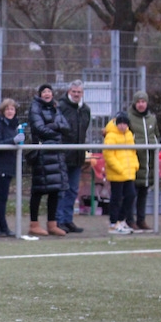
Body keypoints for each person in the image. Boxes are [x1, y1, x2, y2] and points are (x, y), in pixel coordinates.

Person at [27, 83, 71, 237]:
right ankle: (34, 224)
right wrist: (56, 132)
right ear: (40, 95)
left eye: (49, 91)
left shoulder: (56, 108)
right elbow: (39, 129)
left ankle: (52, 224)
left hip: (56, 153)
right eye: (44, 91)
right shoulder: (35, 108)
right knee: (38, 190)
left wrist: (53, 126)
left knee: (55, 189)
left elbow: (66, 127)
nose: (47, 94)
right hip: (42, 153)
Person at [0, 97, 26, 237]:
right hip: (0, 166)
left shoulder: (15, 125)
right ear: (3, 111)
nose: (10, 111)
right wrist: (13, 141)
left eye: (12, 109)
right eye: (7, 109)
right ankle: (2, 226)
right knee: (0, 198)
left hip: (9, 165)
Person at [56, 80, 90, 233]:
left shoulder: (85, 110)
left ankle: (68, 220)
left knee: (73, 189)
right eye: (74, 92)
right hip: (63, 155)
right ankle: (58, 220)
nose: (76, 94)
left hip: (77, 155)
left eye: (79, 92)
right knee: (61, 189)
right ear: (69, 91)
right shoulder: (61, 107)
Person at [126, 90, 160, 231]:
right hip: (133, 162)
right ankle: (129, 219)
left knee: (143, 193)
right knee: (130, 194)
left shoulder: (152, 119)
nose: (141, 104)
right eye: (138, 102)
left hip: (148, 163)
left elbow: (156, 136)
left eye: (143, 102)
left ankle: (141, 219)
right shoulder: (128, 118)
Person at [102, 111, 139, 235]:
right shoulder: (111, 136)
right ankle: (113, 223)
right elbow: (108, 154)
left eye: (125, 123)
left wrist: (135, 166)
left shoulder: (129, 135)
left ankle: (121, 220)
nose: (122, 126)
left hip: (128, 172)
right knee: (116, 198)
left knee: (131, 195)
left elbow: (133, 152)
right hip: (117, 172)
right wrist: (119, 168)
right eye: (120, 123)